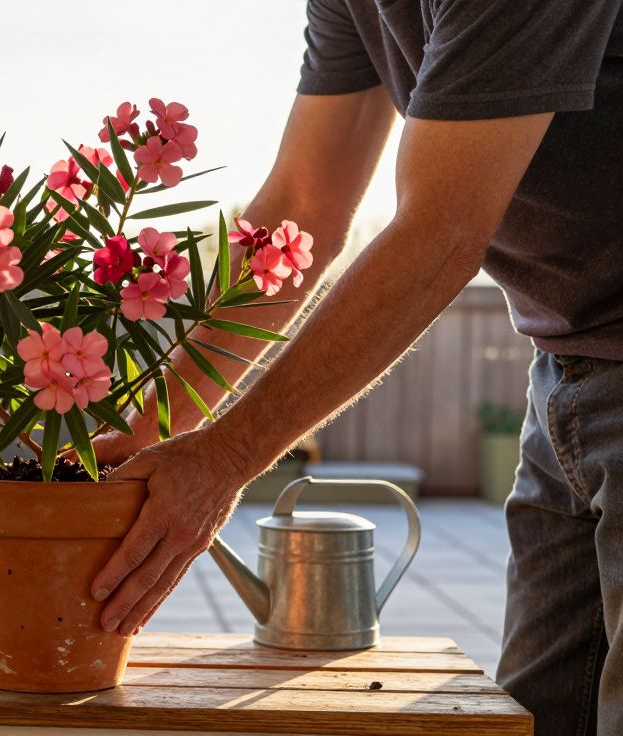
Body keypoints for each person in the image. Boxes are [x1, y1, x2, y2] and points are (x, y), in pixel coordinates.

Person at [87, 2, 623, 732]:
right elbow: (303, 206)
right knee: (541, 712)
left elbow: (438, 235)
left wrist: (227, 456)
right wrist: (154, 422)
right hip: (568, 364)